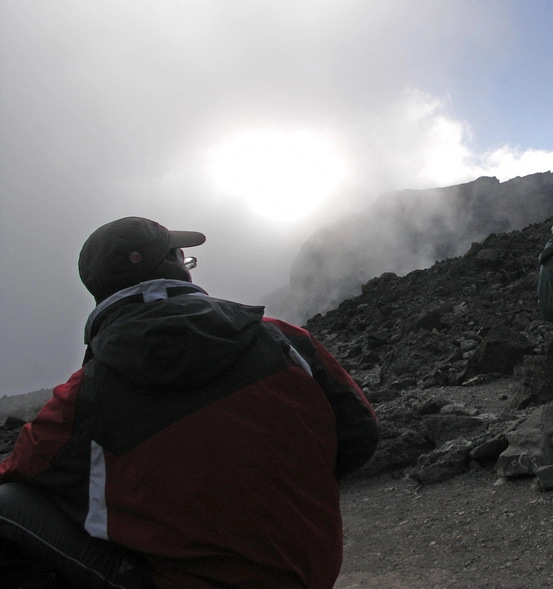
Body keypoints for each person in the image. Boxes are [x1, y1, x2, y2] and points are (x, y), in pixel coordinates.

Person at [0, 216, 379, 588]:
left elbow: (22, 469)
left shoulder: (85, 396)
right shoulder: (284, 340)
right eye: (184, 258)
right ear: (173, 269)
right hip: (311, 571)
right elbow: (360, 435)